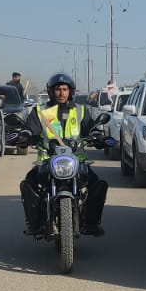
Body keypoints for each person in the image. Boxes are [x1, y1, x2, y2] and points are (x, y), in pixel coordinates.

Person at [19, 73, 108, 237]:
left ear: (70, 91)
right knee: (29, 183)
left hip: (77, 161)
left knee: (97, 185)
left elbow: (90, 128)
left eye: (65, 89)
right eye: (58, 89)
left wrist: (97, 136)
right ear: (51, 91)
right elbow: (30, 127)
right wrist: (25, 135)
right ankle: (35, 224)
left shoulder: (80, 111)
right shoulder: (41, 111)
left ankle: (91, 223)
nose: (61, 93)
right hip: (47, 160)